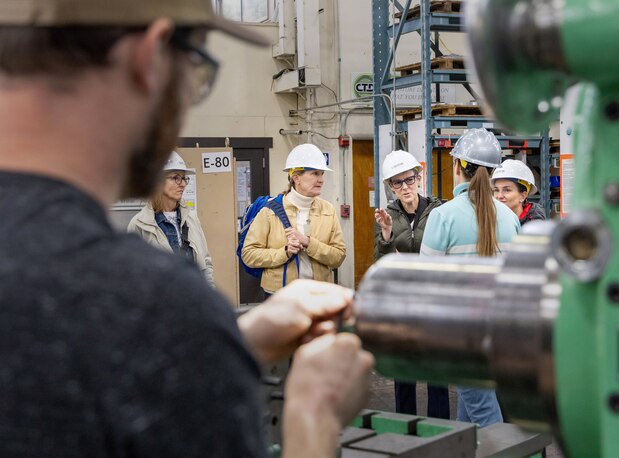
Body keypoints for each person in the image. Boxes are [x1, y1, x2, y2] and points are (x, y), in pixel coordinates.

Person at [0, 2, 373, 457]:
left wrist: (230, 343)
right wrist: (315, 413)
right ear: (149, 59)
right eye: (196, 70)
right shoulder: (151, 306)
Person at [420, 128, 520, 427]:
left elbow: (427, 283)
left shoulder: (443, 216)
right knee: (469, 417)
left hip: (462, 335)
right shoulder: (509, 217)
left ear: (458, 166)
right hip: (502, 332)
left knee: (485, 417)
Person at [374, 150, 448, 419]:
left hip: (434, 301)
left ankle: (440, 430)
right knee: (403, 371)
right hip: (401, 302)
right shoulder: (386, 216)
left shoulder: (439, 210)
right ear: (390, 186)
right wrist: (385, 235)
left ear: (419, 178)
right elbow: (382, 263)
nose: (405, 187)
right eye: (397, 182)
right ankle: (404, 430)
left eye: (409, 179)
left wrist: (404, 259)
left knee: (436, 371)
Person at [242, 143, 347, 296]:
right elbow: (249, 255)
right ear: (296, 178)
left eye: (322, 174)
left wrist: (308, 243)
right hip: (280, 296)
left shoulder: (328, 210)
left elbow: (338, 256)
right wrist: (284, 252)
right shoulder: (269, 211)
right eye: (315, 174)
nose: (321, 179)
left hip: (319, 295)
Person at [128, 151, 215, 287]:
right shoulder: (139, 225)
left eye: (184, 178)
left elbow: (206, 263)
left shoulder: (191, 219)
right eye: (176, 178)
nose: (183, 184)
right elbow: (133, 274)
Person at [492, 159, 546, 225]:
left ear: (523, 196)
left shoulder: (534, 227)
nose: (499, 196)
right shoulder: (490, 220)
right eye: (496, 190)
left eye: (507, 190)